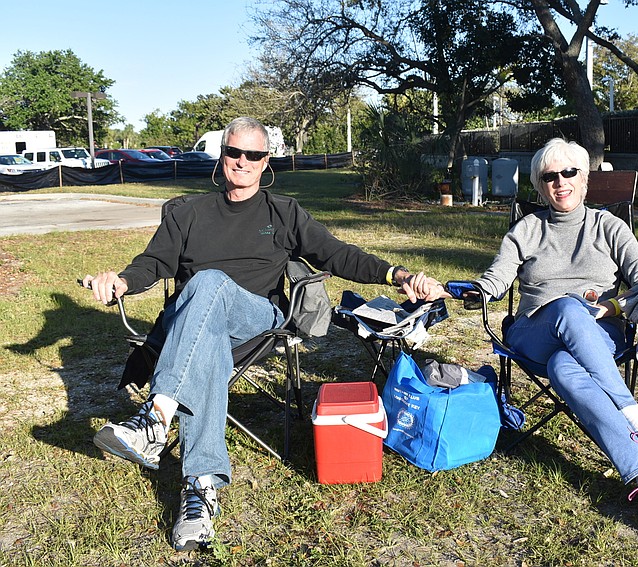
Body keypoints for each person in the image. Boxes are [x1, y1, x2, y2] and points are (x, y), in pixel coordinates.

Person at [83, 117, 443, 551]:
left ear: (266, 160)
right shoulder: (188, 213)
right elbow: (153, 263)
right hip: (195, 328)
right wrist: (122, 281)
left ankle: (156, 417)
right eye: (234, 152)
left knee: (209, 283)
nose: (243, 161)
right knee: (207, 339)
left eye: (253, 154)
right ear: (222, 155)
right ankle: (200, 490)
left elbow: (335, 253)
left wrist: (396, 274)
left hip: (256, 320)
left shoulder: (283, 212)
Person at [440, 138, 638, 533]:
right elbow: (495, 280)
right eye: (549, 176)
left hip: (600, 335)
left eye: (569, 172)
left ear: (584, 178)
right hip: (534, 331)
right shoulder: (527, 229)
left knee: (564, 366)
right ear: (540, 186)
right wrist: (460, 291)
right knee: (567, 308)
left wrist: (611, 308)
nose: (560, 181)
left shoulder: (610, 227)